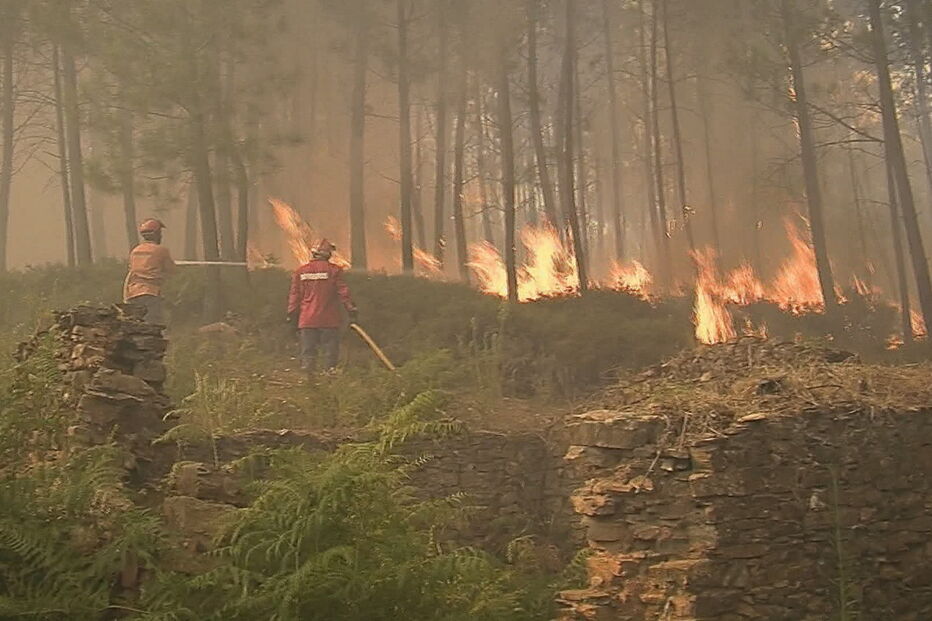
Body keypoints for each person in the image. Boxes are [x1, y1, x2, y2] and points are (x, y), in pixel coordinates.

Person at [287, 239, 358, 372]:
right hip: (329, 320)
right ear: (328, 254)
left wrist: (291, 316)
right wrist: (351, 310)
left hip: (307, 320)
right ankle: (329, 380)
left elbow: (294, 296)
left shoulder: (300, 272)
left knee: (308, 353)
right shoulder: (334, 271)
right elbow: (344, 293)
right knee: (330, 354)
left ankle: (309, 382)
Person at [124, 218, 175, 324]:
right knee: (153, 324)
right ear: (156, 234)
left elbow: (131, 271)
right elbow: (171, 270)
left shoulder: (135, 251)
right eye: (160, 233)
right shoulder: (161, 250)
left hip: (132, 294)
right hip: (150, 293)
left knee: (136, 324)